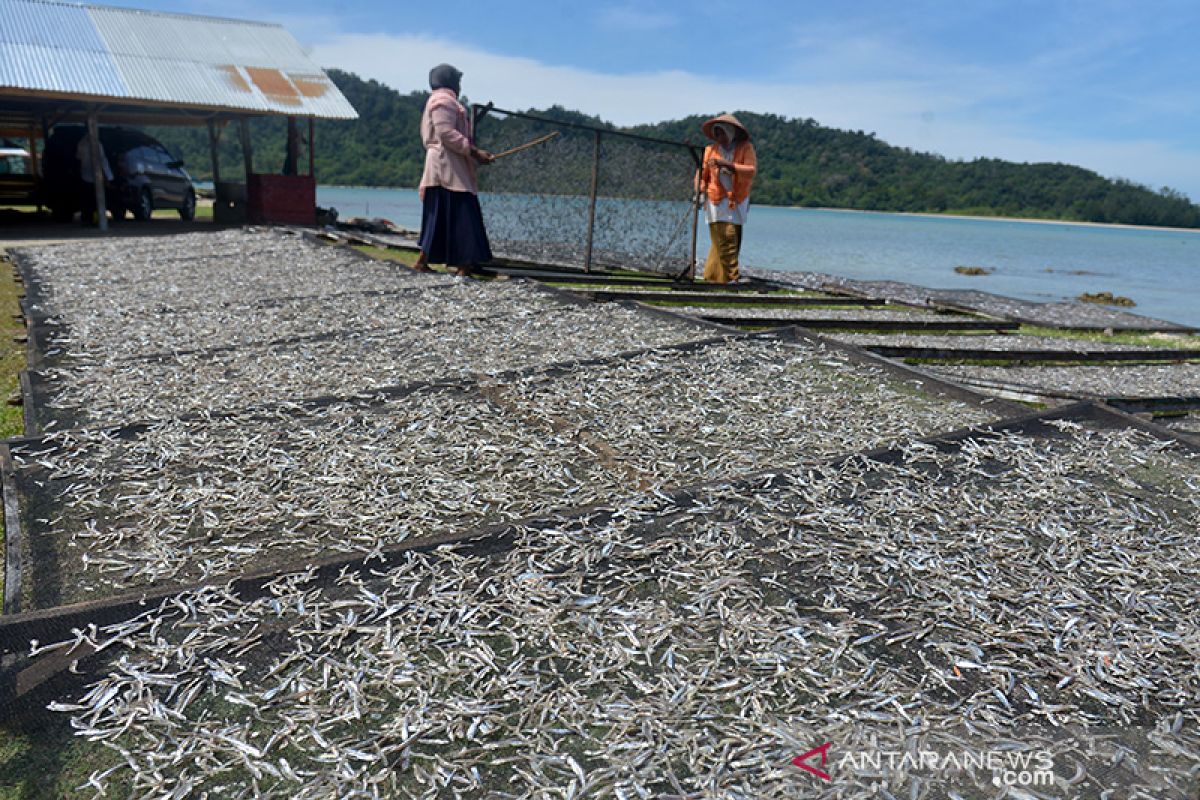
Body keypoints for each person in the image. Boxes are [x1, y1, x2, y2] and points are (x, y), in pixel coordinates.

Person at [412, 64, 495, 277]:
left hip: (445, 165)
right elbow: (446, 133)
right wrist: (475, 152)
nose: (459, 86)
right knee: (463, 213)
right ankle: (463, 266)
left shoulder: (438, 100)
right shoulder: (443, 101)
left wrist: (472, 153)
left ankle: (424, 261)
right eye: (457, 81)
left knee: (438, 215)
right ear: (450, 82)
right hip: (447, 166)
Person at [697, 113, 756, 283]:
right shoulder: (710, 150)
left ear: (731, 132)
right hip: (716, 198)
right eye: (717, 134)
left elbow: (750, 170)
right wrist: (699, 192)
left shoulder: (745, 148)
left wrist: (728, 165)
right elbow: (702, 174)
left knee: (730, 239)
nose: (720, 137)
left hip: (737, 198)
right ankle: (732, 277)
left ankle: (713, 277)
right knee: (725, 237)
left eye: (722, 133)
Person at [76, 132, 113, 226]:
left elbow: (78, 158)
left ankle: (88, 217)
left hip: (85, 175)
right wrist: (106, 177)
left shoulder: (81, 144)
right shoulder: (97, 144)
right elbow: (102, 160)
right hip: (96, 176)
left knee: (88, 199)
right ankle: (98, 219)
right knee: (96, 199)